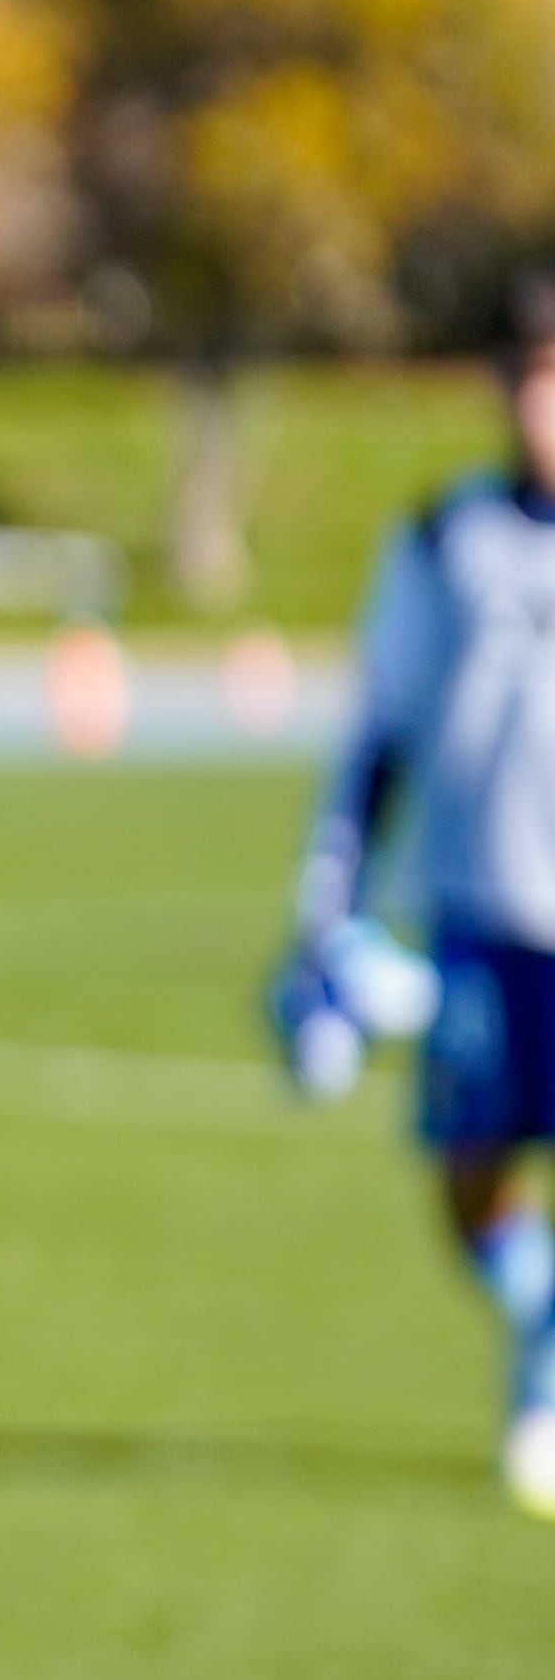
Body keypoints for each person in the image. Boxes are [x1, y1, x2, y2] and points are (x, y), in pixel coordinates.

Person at [295, 272, 555, 1520]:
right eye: (536, 378)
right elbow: (381, 728)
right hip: (481, 910)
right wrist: (326, 907)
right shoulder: (444, 536)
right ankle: (536, 1308)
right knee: (466, 1174)